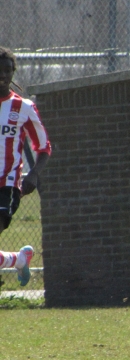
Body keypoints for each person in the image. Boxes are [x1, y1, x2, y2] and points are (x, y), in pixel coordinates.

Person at [0, 47, 51, 286]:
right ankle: (18, 259)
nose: (2, 75)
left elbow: (44, 147)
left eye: (7, 70)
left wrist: (34, 174)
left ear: (13, 72)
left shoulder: (24, 108)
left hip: (7, 186)